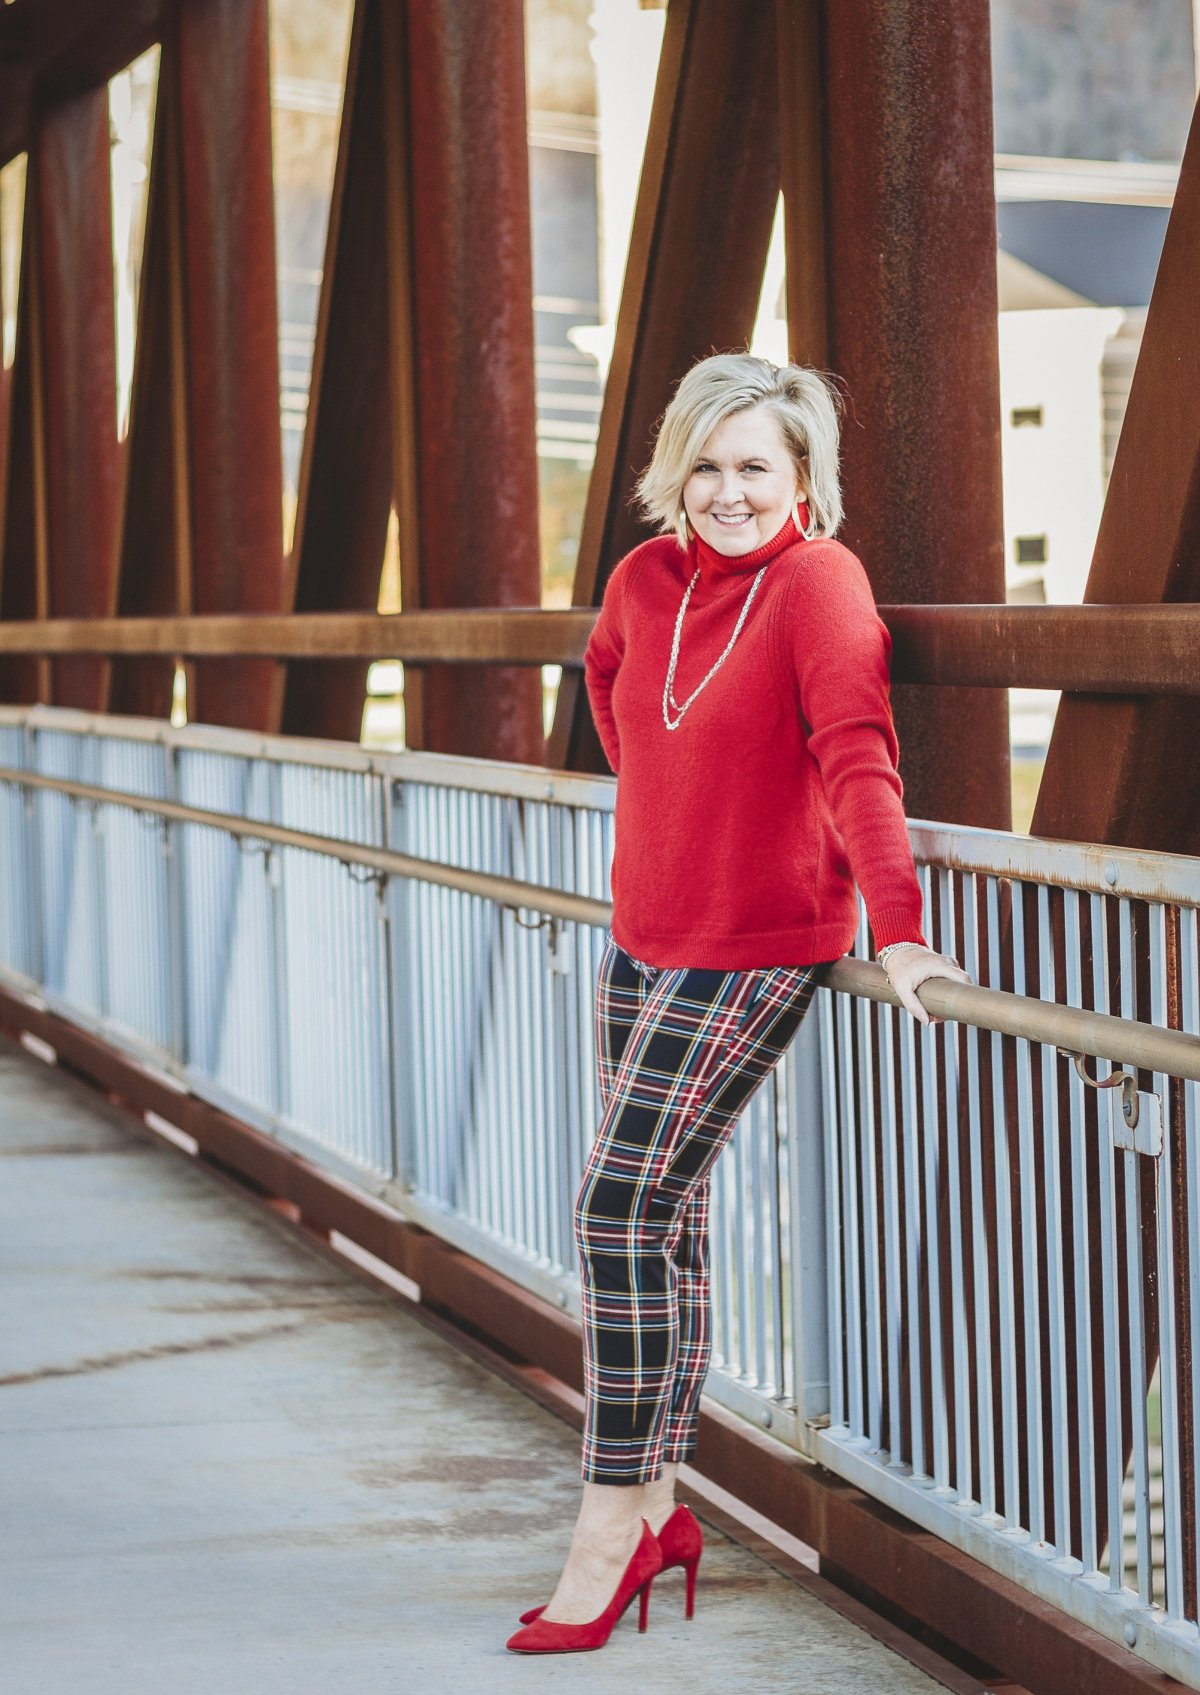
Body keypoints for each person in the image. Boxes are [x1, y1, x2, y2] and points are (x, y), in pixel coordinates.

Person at [505, 353, 969, 1655]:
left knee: (615, 1206)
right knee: (667, 1216)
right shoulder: (642, 582)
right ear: (675, 473)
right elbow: (607, 684)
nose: (727, 490)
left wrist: (905, 930)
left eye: (755, 465)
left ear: (803, 477)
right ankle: (658, 1500)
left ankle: (610, 1521)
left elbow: (857, 753)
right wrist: (672, 800)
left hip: (757, 944)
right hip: (645, 933)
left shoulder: (820, 583)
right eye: (705, 465)